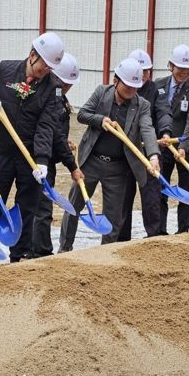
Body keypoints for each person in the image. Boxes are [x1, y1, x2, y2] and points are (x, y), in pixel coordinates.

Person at [0, 32, 64, 272]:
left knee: (26, 209)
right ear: (32, 55)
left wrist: (41, 161)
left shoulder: (52, 88)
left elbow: (46, 126)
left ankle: (17, 259)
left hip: (28, 158)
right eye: (44, 64)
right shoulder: (5, 70)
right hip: (1, 154)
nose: (46, 70)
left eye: (51, 67)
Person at [59, 57, 160, 250]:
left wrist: (153, 156)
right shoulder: (101, 93)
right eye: (127, 86)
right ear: (116, 81)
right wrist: (100, 120)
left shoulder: (142, 105)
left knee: (113, 214)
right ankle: (64, 248)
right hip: (92, 161)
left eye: (135, 87)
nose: (131, 91)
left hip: (118, 167)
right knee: (74, 205)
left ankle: (107, 251)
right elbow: (82, 115)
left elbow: (147, 129)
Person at [31, 52, 84, 258]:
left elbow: (57, 134)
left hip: (47, 158)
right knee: (42, 209)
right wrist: (72, 165)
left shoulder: (59, 100)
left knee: (40, 207)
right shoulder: (51, 100)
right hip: (41, 162)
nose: (66, 88)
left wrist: (64, 142)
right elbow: (52, 133)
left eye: (69, 85)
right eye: (64, 84)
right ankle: (40, 252)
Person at [118, 49, 172, 241]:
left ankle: (154, 237)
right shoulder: (120, 90)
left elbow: (164, 111)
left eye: (147, 71)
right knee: (123, 197)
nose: (143, 76)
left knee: (151, 198)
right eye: (140, 72)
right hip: (124, 152)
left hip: (150, 152)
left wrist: (165, 132)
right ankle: (120, 239)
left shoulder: (156, 91)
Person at [154, 44, 189, 234]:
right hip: (162, 147)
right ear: (170, 66)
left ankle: (183, 233)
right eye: (180, 68)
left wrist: (183, 146)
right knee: (160, 191)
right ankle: (160, 232)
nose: (184, 72)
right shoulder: (158, 85)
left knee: (185, 194)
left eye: (188, 69)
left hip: (186, 150)